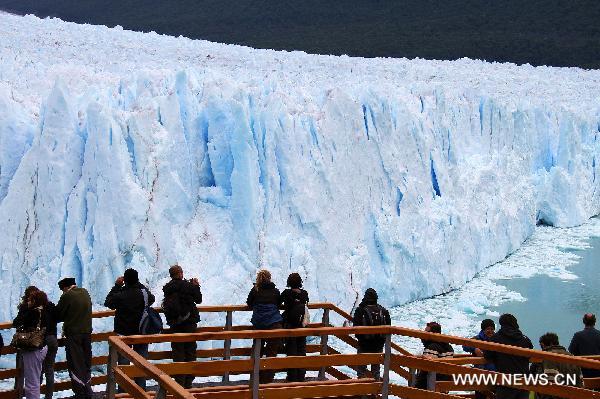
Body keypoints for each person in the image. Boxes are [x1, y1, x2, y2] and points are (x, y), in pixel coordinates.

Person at [105, 268, 155, 390]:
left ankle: (124, 392)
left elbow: (108, 302)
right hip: (141, 331)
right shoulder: (142, 293)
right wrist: (139, 284)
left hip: (123, 333)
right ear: (137, 279)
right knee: (141, 363)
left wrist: (117, 286)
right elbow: (151, 298)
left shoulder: (120, 295)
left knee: (123, 365)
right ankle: (141, 390)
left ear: (125, 280)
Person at [162, 265, 202, 388]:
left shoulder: (167, 288)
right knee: (190, 351)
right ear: (180, 273)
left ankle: (179, 382)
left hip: (175, 324)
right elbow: (199, 300)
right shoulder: (188, 286)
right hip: (189, 323)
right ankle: (188, 382)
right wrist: (196, 286)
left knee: (178, 351)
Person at [55, 277, 93, 399]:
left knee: (75, 364)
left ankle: (80, 393)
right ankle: (88, 390)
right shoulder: (85, 292)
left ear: (65, 287)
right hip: (86, 333)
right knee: (86, 362)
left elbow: (58, 314)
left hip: (74, 335)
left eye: (62, 290)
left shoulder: (67, 296)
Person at [13, 289, 51, 399]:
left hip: (33, 349)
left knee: (31, 383)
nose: (28, 302)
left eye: (30, 300)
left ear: (35, 301)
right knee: (35, 379)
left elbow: (17, 322)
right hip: (42, 347)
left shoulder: (33, 313)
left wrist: (24, 309)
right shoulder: (45, 310)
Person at [484, 314, 533, 399]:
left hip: (505, 381)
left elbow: (487, 355)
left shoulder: (496, 339)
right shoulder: (524, 339)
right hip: (523, 380)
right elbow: (530, 353)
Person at [246, 269, 282, 384]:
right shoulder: (275, 291)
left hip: (259, 324)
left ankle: (255, 379)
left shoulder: (255, 290)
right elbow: (278, 303)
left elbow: (249, 303)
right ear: (269, 278)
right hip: (274, 324)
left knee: (257, 351)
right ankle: (267, 381)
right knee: (271, 353)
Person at [352, 288, 391, 380]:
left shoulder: (361, 310)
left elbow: (355, 327)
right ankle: (376, 389)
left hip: (364, 345)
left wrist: (361, 339)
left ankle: (361, 390)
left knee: (361, 369)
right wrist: (382, 341)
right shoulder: (383, 310)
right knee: (376, 370)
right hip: (378, 345)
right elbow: (389, 328)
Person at [530, 332, 582, 399]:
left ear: (549, 344)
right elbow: (580, 383)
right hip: (573, 395)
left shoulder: (547, 357)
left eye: (542, 346)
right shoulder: (571, 356)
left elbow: (549, 385)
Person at [280, 273, 309, 382]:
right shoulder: (305, 293)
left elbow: (278, 302)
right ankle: (301, 376)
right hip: (301, 326)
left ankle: (292, 377)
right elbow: (306, 304)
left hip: (290, 326)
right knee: (301, 351)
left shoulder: (287, 293)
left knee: (291, 351)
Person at [462, 319, 496, 399]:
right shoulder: (477, 339)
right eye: (488, 329)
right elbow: (465, 345)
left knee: (493, 395)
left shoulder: (496, 339)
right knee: (480, 395)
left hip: (494, 375)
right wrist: (474, 349)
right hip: (480, 374)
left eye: (492, 329)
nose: (490, 331)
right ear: (483, 329)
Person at [415, 322, 454, 389]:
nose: (424, 336)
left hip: (433, 384)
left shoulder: (432, 347)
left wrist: (416, 387)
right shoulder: (448, 347)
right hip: (445, 383)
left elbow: (425, 370)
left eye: (426, 333)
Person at [568, 313, 600, 378]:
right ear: (595, 322)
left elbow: (570, 351)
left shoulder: (578, 335)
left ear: (583, 322)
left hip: (583, 372)